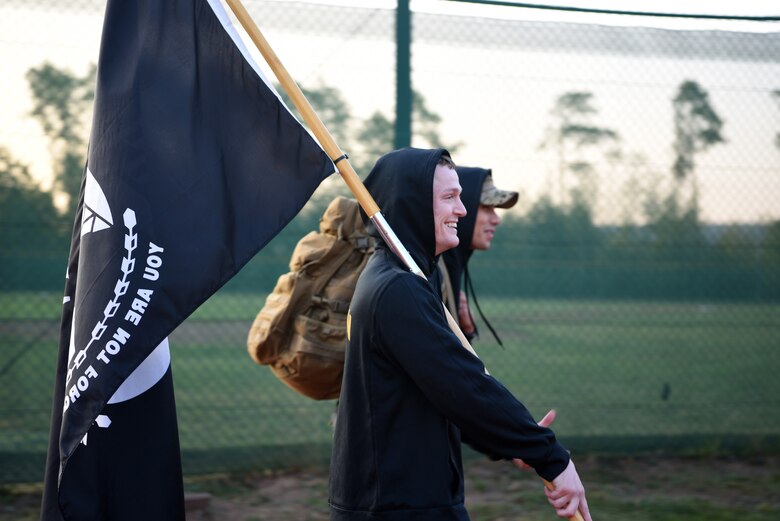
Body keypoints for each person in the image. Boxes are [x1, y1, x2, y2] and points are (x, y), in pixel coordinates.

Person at [329, 147, 591, 521]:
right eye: (450, 198)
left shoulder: (411, 279)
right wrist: (549, 457)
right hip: (395, 507)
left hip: (409, 501)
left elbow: (445, 392)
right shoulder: (397, 291)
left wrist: (509, 440)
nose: (463, 210)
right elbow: (462, 385)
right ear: (414, 202)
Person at [439, 167, 518, 343]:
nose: (496, 219)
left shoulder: (447, 265)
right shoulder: (433, 271)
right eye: (486, 207)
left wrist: (466, 330)